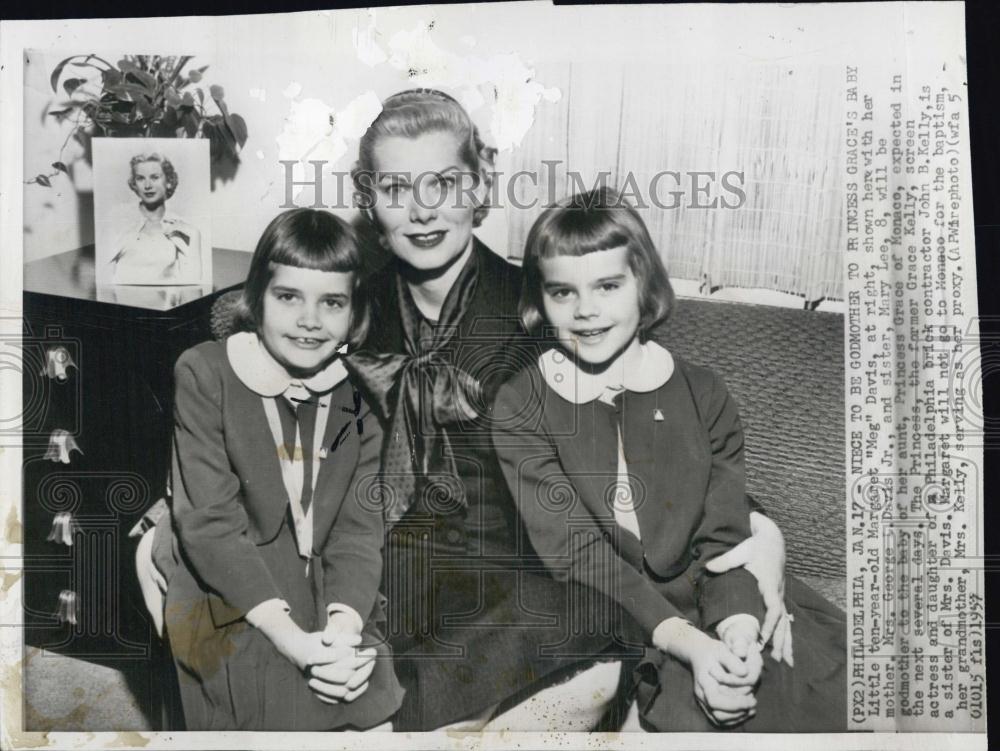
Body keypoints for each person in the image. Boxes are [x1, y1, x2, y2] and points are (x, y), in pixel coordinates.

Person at [340, 88, 795, 731]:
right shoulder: (346, 306)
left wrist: (764, 539)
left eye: (443, 183)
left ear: (480, 183)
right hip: (379, 571)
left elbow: (673, 454)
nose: (420, 210)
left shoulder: (548, 307)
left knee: (585, 626)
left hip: (518, 585)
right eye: (395, 188)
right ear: (369, 199)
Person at [491, 188, 847, 731]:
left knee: (800, 697)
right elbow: (576, 554)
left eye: (608, 286)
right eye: (563, 292)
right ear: (539, 300)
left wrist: (737, 631)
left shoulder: (704, 392)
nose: (585, 310)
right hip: (606, 607)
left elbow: (723, 534)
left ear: (644, 284)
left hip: (715, 597)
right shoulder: (521, 403)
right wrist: (692, 646)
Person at [155, 208, 403, 730]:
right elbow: (210, 527)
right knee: (272, 699)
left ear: (354, 313)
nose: (309, 319)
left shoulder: (363, 395)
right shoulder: (205, 373)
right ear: (257, 298)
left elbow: (358, 529)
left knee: (369, 695)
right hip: (224, 575)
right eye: (289, 297)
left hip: (318, 574)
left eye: (332, 302)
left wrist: (342, 629)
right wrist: (294, 643)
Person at [110, 153, 203, 284]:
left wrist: (193, 236)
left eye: (155, 177)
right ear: (134, 184)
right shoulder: (118, 222)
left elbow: (192, 285)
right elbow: (103, 279)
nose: (148, 185)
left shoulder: (183, 229)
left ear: (169, 182)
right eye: (140, 178)